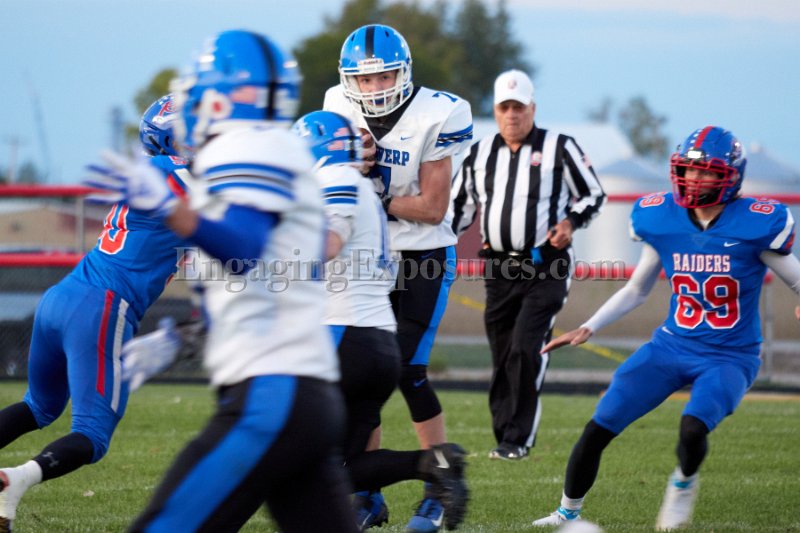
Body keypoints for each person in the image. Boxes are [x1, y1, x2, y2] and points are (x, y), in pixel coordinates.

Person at [87, 30, 359, 533]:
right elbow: (271, 277)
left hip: (271, 394)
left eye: (200, 87)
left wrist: (169, 207)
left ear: (228, 93)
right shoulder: (275, 150)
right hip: (306, 394)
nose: (191, 101)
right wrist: (188, 338)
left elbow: (244, 249)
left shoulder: (244, 145)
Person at [532, 126, 800, 530]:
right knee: (599, 426)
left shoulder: (754, 225)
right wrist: (589, 326)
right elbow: (637, 288)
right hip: (671, 347)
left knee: (692, 428)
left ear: (730, 176)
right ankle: (566, 511)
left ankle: (684, 481)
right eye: (688, 169)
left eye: (706, 171)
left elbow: (796, 279)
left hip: (730, 355)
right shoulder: (662, 219)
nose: (694, 178)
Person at [0, 95, 192, 530]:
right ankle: (16, 480)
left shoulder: (154, 174)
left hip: (63, 296)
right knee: (92, 433)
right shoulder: (177, 174)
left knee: (40, 406)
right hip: (101, 306)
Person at [323, 24, 473, 532]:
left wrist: (371, 195)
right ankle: (368, 493)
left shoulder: (440, 111)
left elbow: (432, 208)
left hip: (422, 255)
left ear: (403, 72)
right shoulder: (335, 105)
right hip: (366, 254)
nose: (373, 88)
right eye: (363, 80)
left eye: (383, 76)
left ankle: (438, 485)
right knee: (364, 374)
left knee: (406, 370)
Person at [294, 110, 469, 532]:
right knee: (344, 470)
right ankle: (434, 462)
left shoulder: (336, 179)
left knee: (284, 452)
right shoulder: (365, 195)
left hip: (343, 337)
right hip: (376, 344)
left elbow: (325, 246)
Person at [451, 69, 605, 461]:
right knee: (503, 352)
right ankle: (504, 436)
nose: (512, 115)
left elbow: (593, 194)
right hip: (499, 267)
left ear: (532, 108)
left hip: (545, 265)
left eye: (519, 107)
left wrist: (570, 223)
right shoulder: (478, 155)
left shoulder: (560, 147)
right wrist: (434, 246)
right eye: (505, 107)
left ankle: (517, 438)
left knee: (525, 346)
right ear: (495, 110)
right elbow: (458, 210)